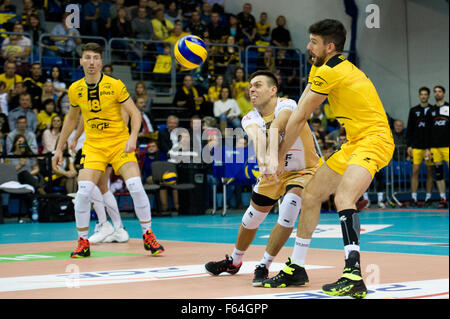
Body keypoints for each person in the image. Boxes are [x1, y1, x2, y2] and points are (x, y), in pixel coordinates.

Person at [262, 19, 394, 298]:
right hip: (354, 143)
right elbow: (300, 106)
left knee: (343, 198)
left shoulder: (333, 72)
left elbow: (300, 116)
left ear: (330, 46)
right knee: (310, 195)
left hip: (375, 140)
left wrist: (277, 157)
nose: (308, 46)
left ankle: (353, 275)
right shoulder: (320, 67)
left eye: (313, 42)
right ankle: (296, 267)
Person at [204, 70, 319, 286]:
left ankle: (264, 265)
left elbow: (278, 126)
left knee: (289, 206)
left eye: (257, 85)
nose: (252, 89)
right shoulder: (250, 117)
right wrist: (266, 163)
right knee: (251, 217)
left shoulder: (288, 104)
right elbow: (257, 138)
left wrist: (274, 158)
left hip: (303, 170)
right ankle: (234, 261)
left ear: (273, 90)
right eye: (250, 86)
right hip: (274, 172)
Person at [53, 42, 163, 258]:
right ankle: (83, 242)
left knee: (134, 185)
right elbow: (72, 118)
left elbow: (135, 114)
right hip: (94, 146)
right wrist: (60, 147)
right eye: (88, 57)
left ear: (101, 62)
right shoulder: (75, 89)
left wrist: (132, 137)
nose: (92, 62)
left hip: (119, 143)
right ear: (81, 61)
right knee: (83, 190)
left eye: (95, 58)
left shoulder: (115, 85)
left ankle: (148, 234)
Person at [406, 87, 434, 206]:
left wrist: (431, 146)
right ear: (419, 96)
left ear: (428, 96)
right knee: (415, 171)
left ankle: (428, 197)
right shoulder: (413, 110)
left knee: (429, 172)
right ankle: (414, 197)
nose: (423, 96)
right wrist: (409, 145)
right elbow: (410, 129)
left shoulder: (433, 110)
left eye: (425, 94)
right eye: (421, 94)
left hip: (430, 148)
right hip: (416, 147)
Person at [427, 85, 449, 208]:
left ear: (444, 93)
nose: (437, 93)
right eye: (435, 92)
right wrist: (428, 148)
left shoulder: (448, 107)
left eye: (439, 91)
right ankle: (443, 199)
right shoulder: (431, 111)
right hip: (435, 147)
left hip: (448, 146)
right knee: (439, 174)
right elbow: (428, 131)